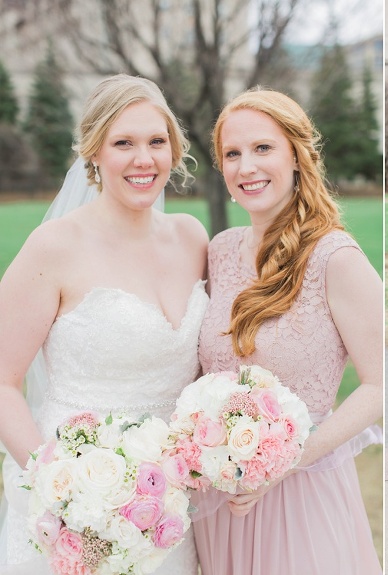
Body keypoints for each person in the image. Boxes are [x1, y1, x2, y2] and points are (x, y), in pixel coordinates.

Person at [0, 74, 208, 573]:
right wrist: (59, 489)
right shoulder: (54, 247)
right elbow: (3, 382)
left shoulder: (192, 237)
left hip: (172, 505)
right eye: (123, 143)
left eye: (157, 141)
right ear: (93, 151)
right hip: (77, 504)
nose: (145, 159)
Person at [193, 88, 382, 574]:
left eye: (262, 148)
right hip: (222, 506)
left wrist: (284, 462)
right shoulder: (219, 250)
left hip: (300, 496)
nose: (246, 167)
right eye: (232, 154)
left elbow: (381, 386)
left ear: (297, 156)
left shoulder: (334, 257)